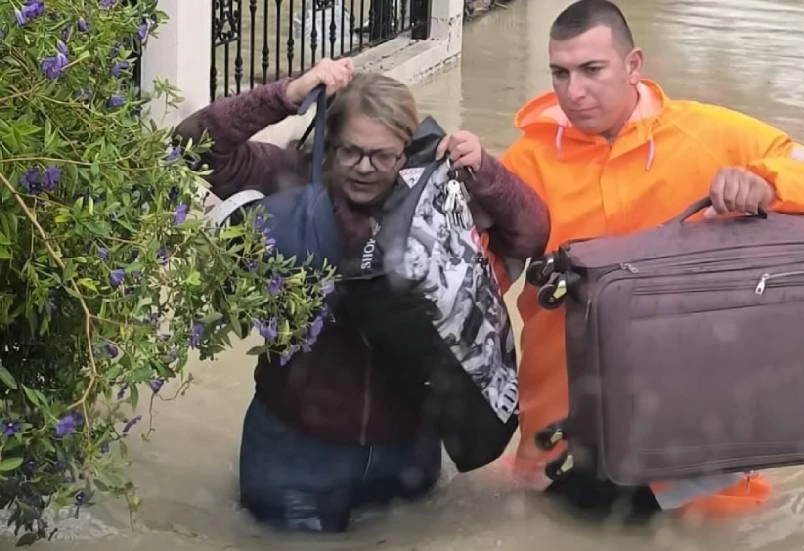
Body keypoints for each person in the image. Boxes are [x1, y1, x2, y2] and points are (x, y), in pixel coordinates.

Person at [495, 0, 804, 515]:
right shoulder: (524, 163)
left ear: (633, 65)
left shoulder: (711, 134)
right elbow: (477, 279)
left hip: (695, 445)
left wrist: (767, 182)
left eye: (592, 70)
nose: (573, 91)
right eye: (560, 73)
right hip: (564, 440)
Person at [173, 58, 550, 533]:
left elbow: (533, 235)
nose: (365, 168)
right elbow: (192, 149)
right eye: (351, 152)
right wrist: (285, 96)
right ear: (329, 144)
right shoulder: (288, 177)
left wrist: (485, 172)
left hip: (408, 454)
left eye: (383, 156)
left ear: (407, 150)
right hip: (297, 457)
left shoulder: (437, 197)